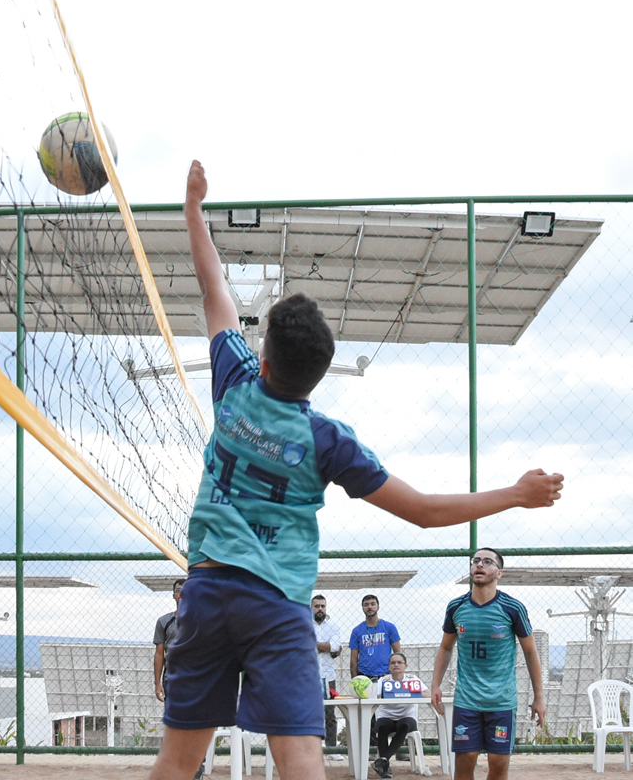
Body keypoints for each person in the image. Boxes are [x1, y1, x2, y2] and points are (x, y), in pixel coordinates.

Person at [146, 160, 564, 780]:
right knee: (301, 758)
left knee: (179, 761)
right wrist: (515, 493)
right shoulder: (327, 439)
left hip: (206, 594)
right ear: (317, 377)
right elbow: (425, 512)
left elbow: (215, 293)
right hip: (277, 605)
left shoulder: (234, 383)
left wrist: (193, 211)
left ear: (264, 360)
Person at [432, 548, 545, 780]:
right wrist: (435, 684)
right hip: (467, 700)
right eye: (475, 561)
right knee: (465, 761)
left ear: (499, 573)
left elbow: (530, 651)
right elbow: (445, 647)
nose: (479, 565)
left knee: (498, 763)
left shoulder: (513, 608)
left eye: (487, 561)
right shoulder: (456, 607)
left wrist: (539, 697)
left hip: (501, 701)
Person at [350, 594, 402, 746]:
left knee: (392, 713)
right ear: (362, 608)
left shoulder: (389, 627)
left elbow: (398, 653)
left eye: (373, 604)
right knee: (369, 716)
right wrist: (355, 680)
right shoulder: (357, 631)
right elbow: (353, 659)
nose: (370, 607)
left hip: (386, 677)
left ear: (378, 607)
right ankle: (372, 749)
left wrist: (398, 676)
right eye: (366, 604)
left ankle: (397, 748)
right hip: (365, 678)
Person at [373, 652, 429, 779]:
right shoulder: (383, 681)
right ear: (389, 667)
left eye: (399, 662)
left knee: (404, 725)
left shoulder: (412, 679)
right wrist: (390, 693)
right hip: (387, 716)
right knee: (381, 726)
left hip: (406, 717)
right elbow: (374, 697)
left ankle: (383, 760)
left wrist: (408, 692)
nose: (396, 665)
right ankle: (385, 767)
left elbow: (428, 694)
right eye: (393, 663)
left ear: (406, 666)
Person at [311, 595, 343, 758]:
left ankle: (331, 749)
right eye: (317, 606)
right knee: (308, 713)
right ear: (311, 608)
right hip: (308, 676)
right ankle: (310, 750)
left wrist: (313, 645)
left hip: (328, 677)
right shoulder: (304, 626)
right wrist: (327, 647)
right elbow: (302, 644)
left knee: (330, 714)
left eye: (322, 606)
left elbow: (336, 646)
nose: (320, 609)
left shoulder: (333, 627)